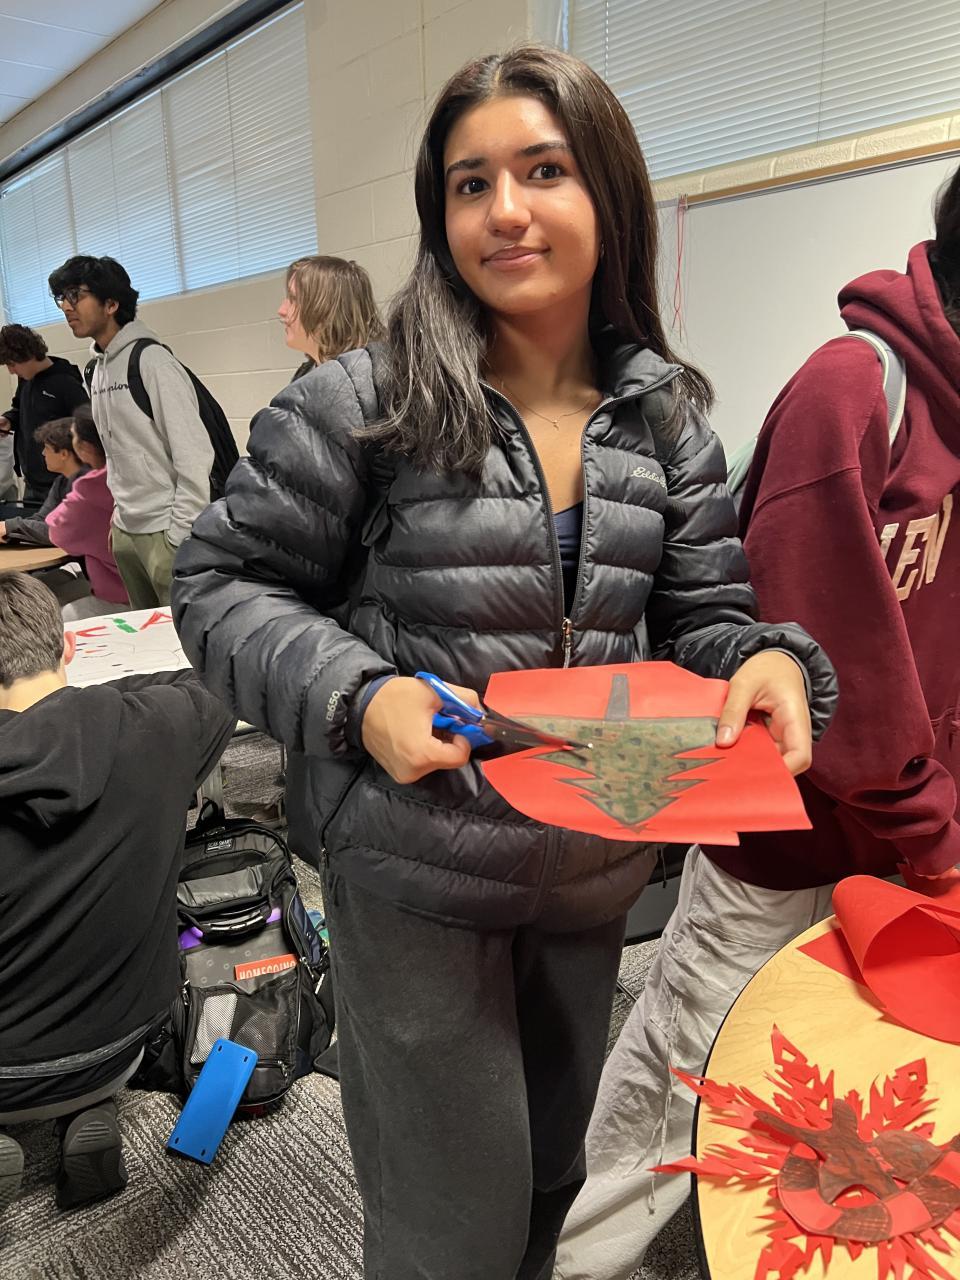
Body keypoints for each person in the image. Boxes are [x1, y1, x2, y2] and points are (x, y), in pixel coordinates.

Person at [171, 46, 837, 1280]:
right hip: (419, 871)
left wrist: (766, 659)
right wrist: (359, 695)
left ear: (610, 194)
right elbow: (218, 583)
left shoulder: (663, 419)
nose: (505, 209)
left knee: (547, 1180)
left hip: (591, 868)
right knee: (448, 1226)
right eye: (470, 183)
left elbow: (705, 615)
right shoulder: (362, 404)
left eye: (543, 171)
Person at [554, 169, 960, 1280]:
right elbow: (832, 660)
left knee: (833, 1078)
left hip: (901, 839)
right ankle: (575, 1261)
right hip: (781, 834)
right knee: (680, 1073)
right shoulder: (855, 389)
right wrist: (933, 826)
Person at [0, 571, 235, 1216]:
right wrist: (88, 704)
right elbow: (216, 678)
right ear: (69, 647)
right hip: (123, 1044)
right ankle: (89, 1108)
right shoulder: (164, 728)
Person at [276, 254, 385, 841]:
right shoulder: (308, 380)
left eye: (293, 298)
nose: (282, 310)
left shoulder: (371, 387)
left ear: (323, 305)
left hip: (357, 593)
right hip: (314, 584)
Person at [46, 255, 213, 609]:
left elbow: (195, 455)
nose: (66, 307)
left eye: (75, 295)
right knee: (144, 635)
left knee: (178, 636)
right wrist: (119, 520)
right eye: (62, 297)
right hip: (125, 531)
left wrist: (179, 535)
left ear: (111, 304)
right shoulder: (96, 370)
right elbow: (116, 453)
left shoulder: (152, 362)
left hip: (166, 532)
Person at [45, 406, 129, 620]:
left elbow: (57, 531)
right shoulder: (142, 475)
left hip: (120, 596)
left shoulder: (90, 489)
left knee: (57, 610)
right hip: (153, 588)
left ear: (85, 447)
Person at [0, 324, 89, 513]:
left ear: (27, 355)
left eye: (12, 364)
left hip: (61, 483)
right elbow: (19, 408)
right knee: (28, 528)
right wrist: (8, 420)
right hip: (32, 483)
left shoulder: (66, 382)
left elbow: (86, 427)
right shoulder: (26, 379)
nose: (11, 371)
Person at [0, 418, 87, 547]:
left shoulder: (87, 487)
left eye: (47, 448)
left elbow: (63, 531)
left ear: (63, 454)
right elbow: (42, 518)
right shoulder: (61, 482)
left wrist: (11, 526)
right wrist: (9, 530)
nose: (43, 453)